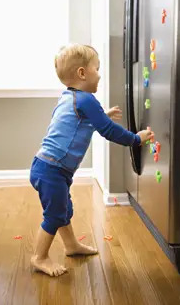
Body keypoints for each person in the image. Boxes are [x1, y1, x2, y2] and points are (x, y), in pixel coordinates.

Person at [30, 44, 154, 276]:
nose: (100, 73)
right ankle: (39, 257)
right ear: (82, 73)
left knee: (63, 209)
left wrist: (101, 115)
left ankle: (71, 246)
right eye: (97, 68)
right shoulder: (86, 100)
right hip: (51, 169)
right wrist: (136, 138)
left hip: (49, 167)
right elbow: (109, 131)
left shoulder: (70, 97)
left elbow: (77, 121)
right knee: (55, 214)